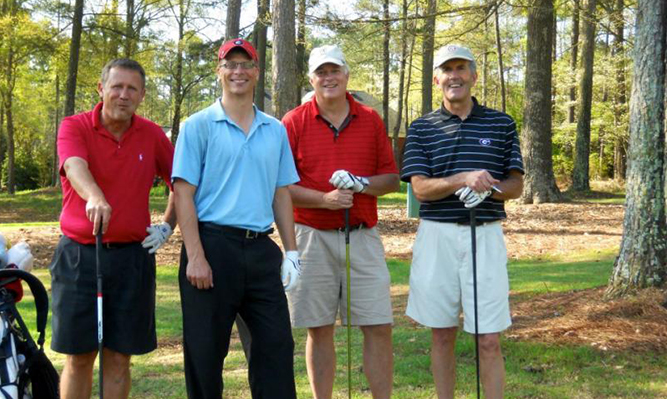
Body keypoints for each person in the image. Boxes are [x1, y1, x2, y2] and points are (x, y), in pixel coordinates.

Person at [172, 38, 301, 399]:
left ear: (257, 73)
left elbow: (281, 192)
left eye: (246, 64)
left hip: (261, 250)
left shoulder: (274, 129)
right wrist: (195, 255)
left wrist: (291, 252)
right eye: (231, 64)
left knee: (275, 347)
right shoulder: (197, 125)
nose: (238, 71)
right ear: (220, 72)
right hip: (212, 248)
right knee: (205, 353)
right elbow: (183, 192)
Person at [400, 44, 525, 399]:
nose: (454, 76)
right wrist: (463, 178)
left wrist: (490, 189)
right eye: (447, 69)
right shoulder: (422, 127)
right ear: (436, 78)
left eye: (461, 68)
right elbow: (421, 189)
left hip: (484, 237)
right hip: (437, 238)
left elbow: (515, 185)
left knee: (488, 338)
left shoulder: (501, 123)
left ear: (473, 75)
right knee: (441, 332)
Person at [50, 58, 177, 399]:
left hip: (132, 259)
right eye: (117, 86)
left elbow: (182, 183)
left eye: (132, 88)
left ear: (142, 95)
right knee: (79, 357)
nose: (123, 94)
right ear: (101, 88)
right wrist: (94, 196)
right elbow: (74, 165)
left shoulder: (151, 135)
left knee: (119, 357)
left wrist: (167, 226)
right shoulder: (74, 126)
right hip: (79, 256)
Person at [282, 44, 399, 399]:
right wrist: (324, 200)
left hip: (362, 237)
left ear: (346, 75)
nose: (328, 78)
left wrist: (361, 183)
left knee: (378, 325)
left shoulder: (370, 119)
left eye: (334, 71)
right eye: (321, 72)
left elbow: (391, 178)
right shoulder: (294, 121)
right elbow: (281, 186)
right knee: (319, 329)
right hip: (311, 236)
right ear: (311, 78)